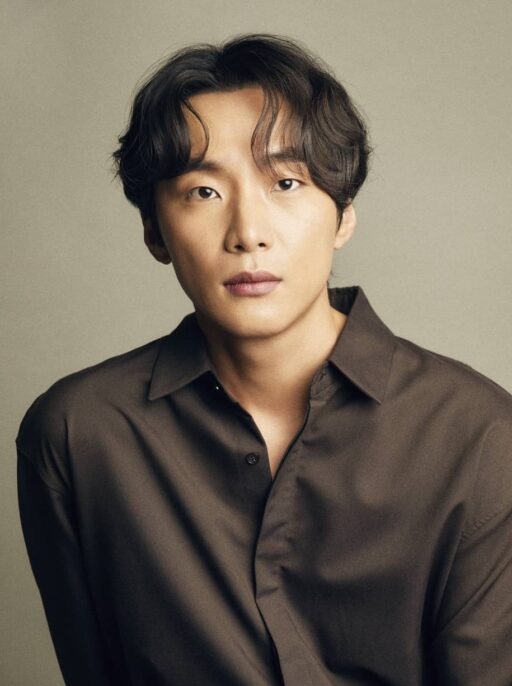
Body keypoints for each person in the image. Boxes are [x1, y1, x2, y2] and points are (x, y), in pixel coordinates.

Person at [16, 32, 512, 686]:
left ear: (343, 216)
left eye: (285, 182)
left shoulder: (478, 435)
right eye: (203, 192)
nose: (248, 232)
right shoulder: (80, 435)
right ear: (154, 232)